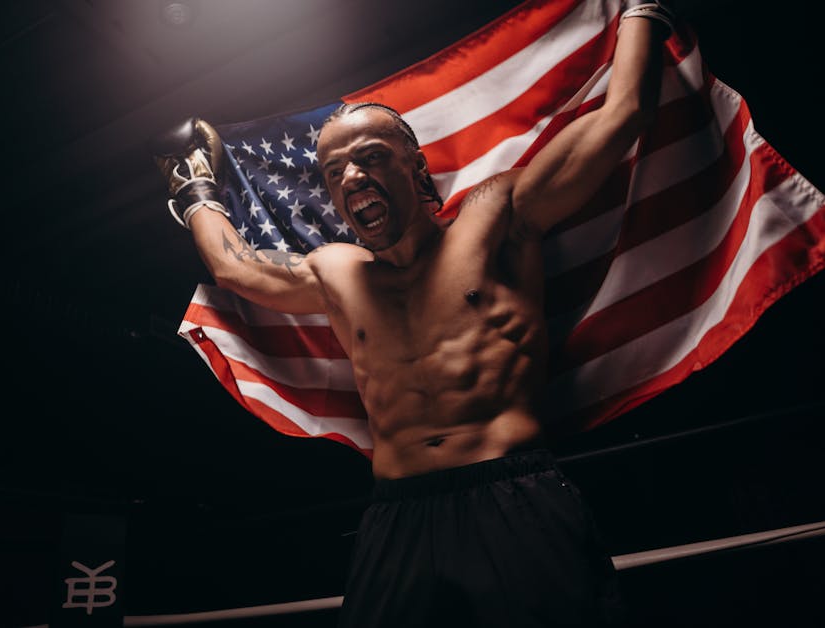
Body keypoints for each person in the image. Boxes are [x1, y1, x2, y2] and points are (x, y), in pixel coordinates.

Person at [151, 2, 673, 625]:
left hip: (513, 492)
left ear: (416, 165)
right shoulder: (337, 270)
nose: (351, 175)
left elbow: (622, 118)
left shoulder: (494, 219)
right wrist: (196, 184)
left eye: (371, 157)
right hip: (398, 512)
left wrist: (640, 12)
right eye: (335, 170)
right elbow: (235, 267)